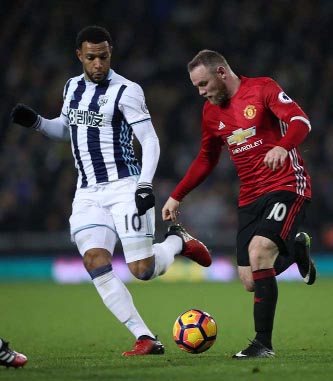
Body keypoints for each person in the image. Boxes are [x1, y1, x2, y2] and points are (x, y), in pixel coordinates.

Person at [10, 26, 211, 356]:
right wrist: (37, 123)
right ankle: (145, 336)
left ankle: (178, 241)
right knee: (94, 260)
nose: (98, 63)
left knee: (141, 270)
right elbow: (67, 130)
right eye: (91, 57)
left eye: (103, 57)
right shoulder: (71, 87)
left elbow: (149, 140)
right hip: (87, 192)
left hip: (125, 187)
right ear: (79, 56)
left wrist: (145, 184)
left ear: (110, 54)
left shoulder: (127, 91)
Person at [162, 49, 317, 359]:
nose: (201, 92)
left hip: (286, 185)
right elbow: (207, 158)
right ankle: (296, 248)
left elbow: (301, 122)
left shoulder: (262, 89)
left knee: (259, 253)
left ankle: (262, 344)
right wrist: (177, 194)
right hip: (250, 196)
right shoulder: (211, 113)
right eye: (196, 87)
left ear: (221, 73)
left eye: (203, 84)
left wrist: (284, 147)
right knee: (250, 281)